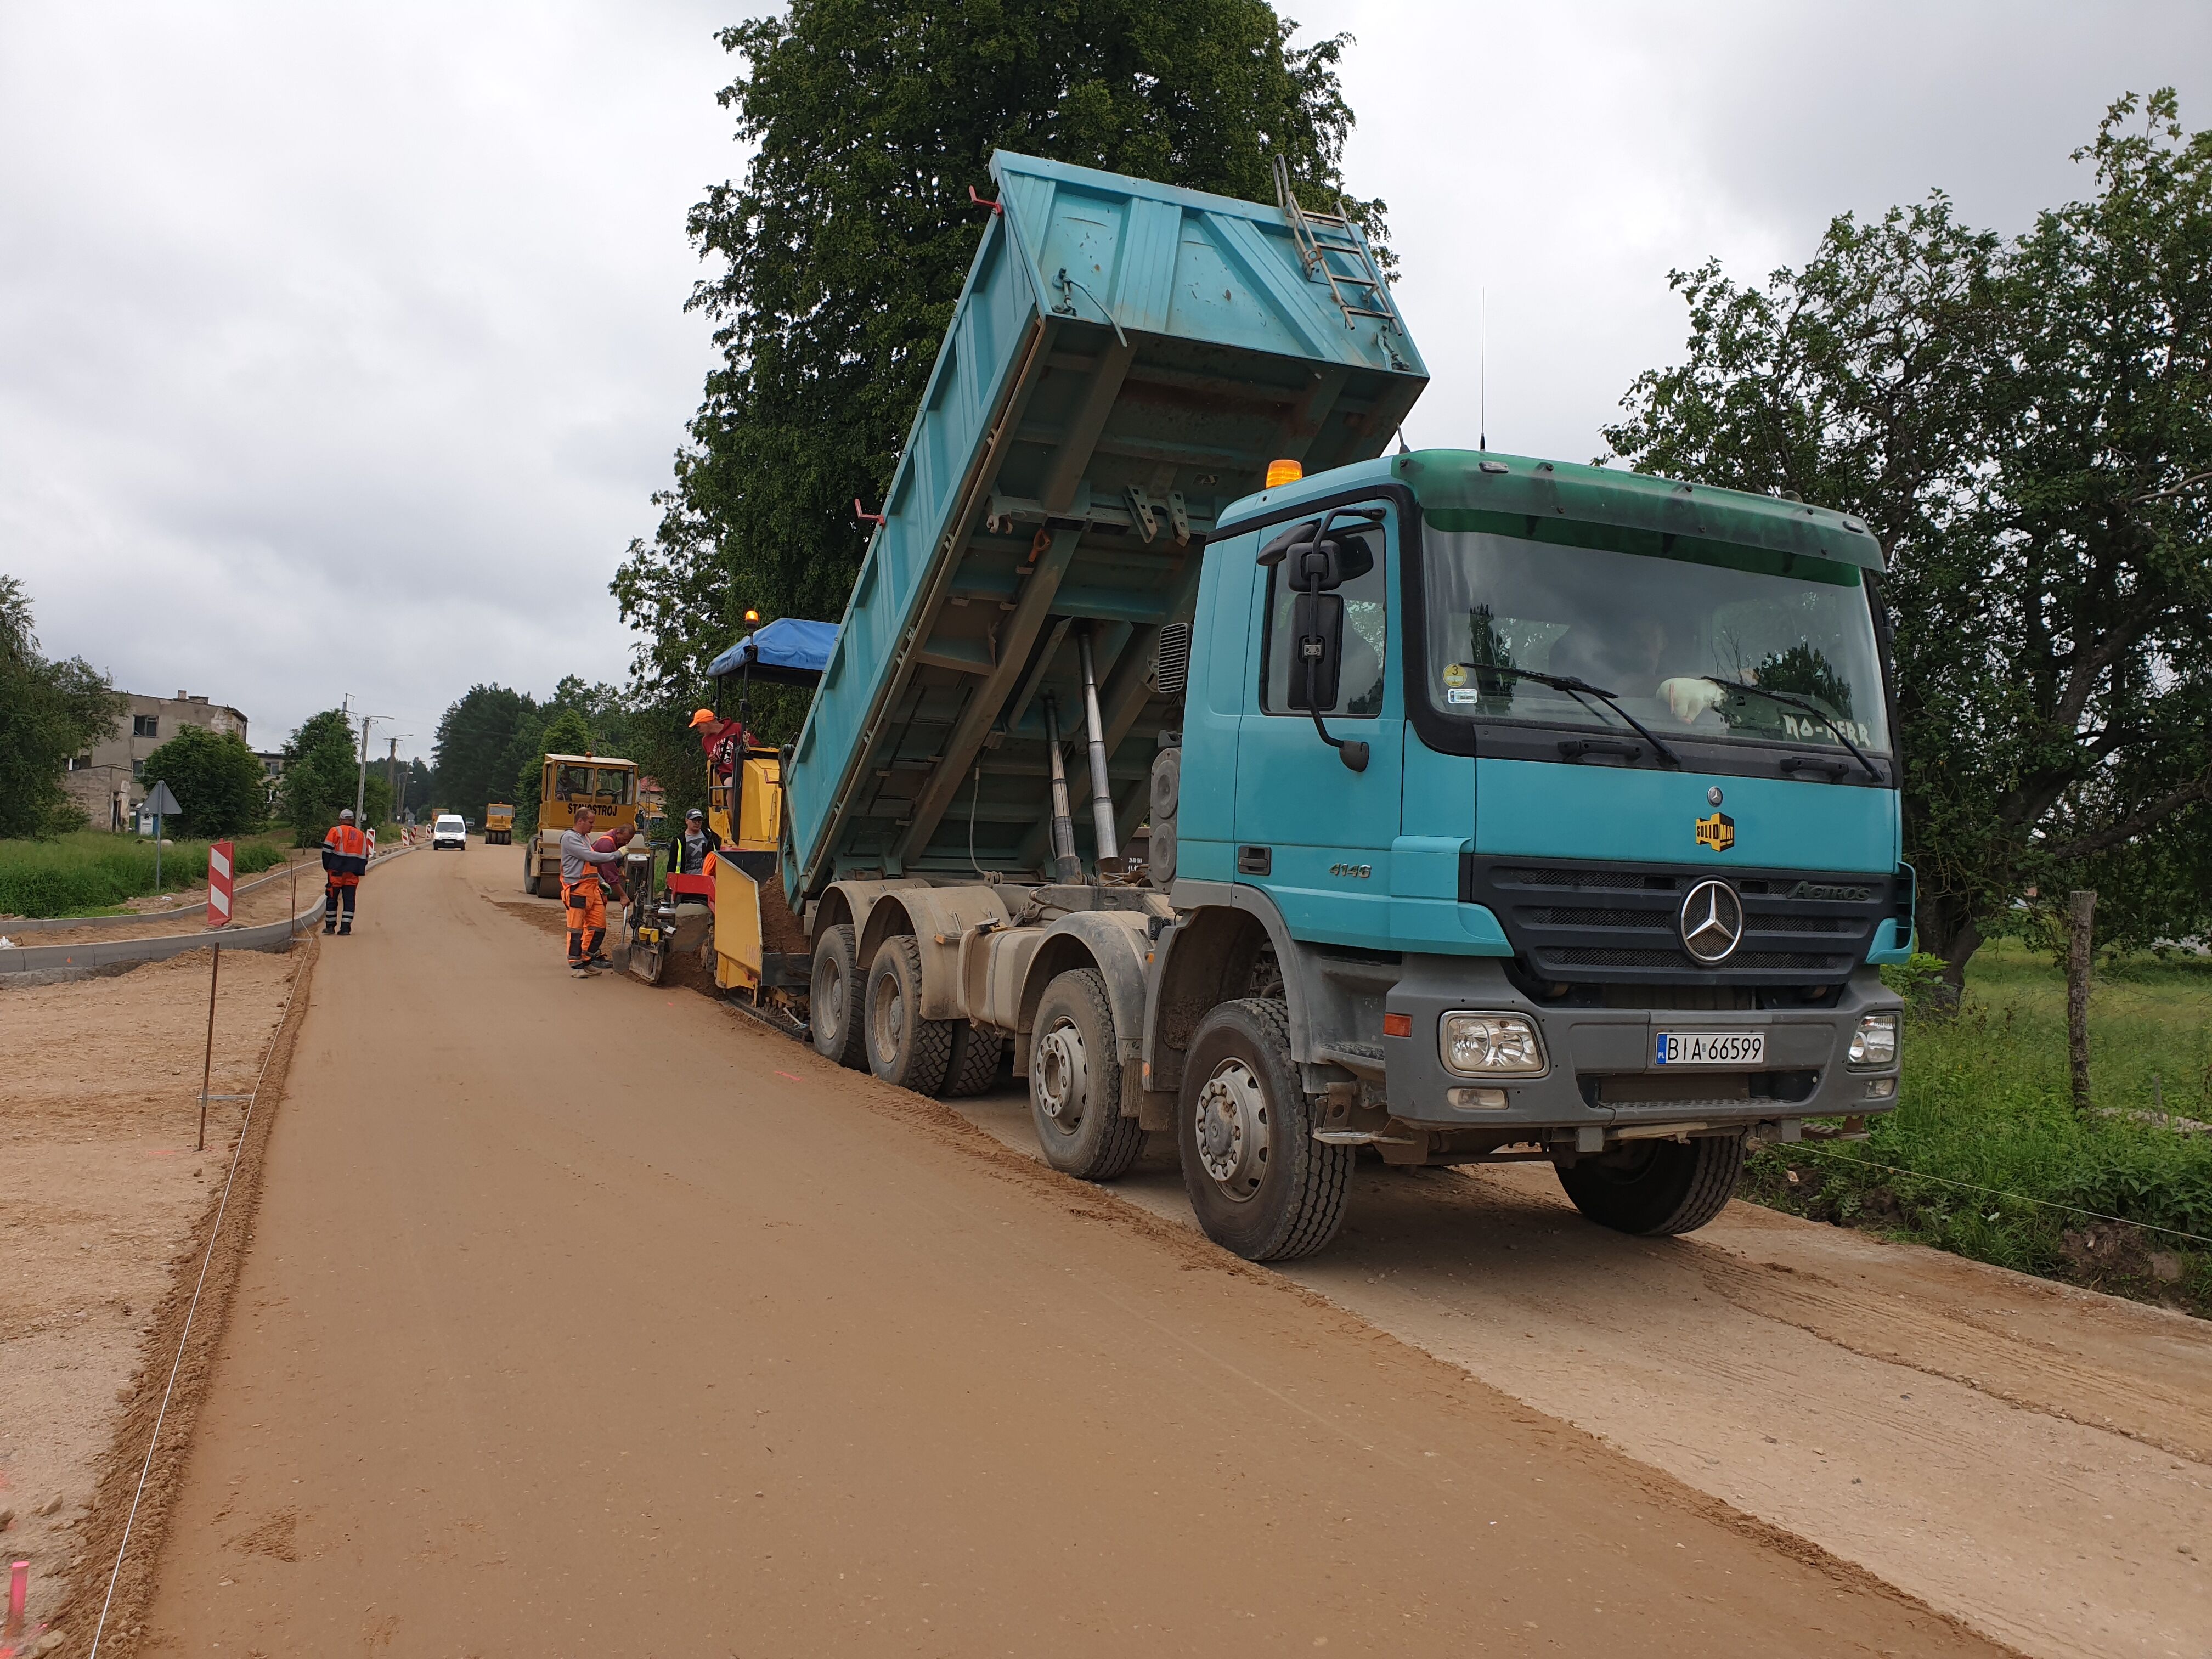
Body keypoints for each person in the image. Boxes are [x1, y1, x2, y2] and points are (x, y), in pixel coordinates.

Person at [560, 806, 635, 978]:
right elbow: (591, 857)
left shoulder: (585, 838)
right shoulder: (569, 838)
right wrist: (617, 855)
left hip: (592, 889)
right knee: (576, 929)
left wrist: (601, 882)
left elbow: (591, 866)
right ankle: (576, 965)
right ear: (580, 821)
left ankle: (586, 960)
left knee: (599, 927)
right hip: (577, 890)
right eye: (591, 822)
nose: (593, 826)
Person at [321, 808, 370, 936]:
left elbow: (326, 851)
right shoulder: (362, 835)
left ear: (341, 819)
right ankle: (346, 928)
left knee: (332, 898)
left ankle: (330, 927)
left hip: (336, 872)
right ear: (352, 820)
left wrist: (327, 867)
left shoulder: (335, 831)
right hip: (353, 873)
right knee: (349, 900)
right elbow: (365, 856)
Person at [675, 806, 723, 875]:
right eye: (694, 820)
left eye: (699, 820)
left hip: (708, 878)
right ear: (687, 821)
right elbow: (673, 864)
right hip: (687, 880)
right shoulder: (679, 841)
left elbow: (718, 854)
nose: (697, 823)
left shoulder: (709, 835)